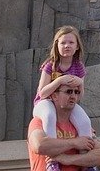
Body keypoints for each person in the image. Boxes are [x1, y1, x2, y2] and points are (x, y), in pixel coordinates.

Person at [34, 27, 94, 171]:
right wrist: (60, 81)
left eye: (71, 42)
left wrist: (79, 84)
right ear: (57, 45)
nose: (67, 46)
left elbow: (79, 95)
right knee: (49, 116)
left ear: (77, 46)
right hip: (45, 103)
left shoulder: (78, 66)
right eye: (63, 43)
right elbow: (42, 93)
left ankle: (86, 160)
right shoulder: (51, 65)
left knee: (85, 121)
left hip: (67, 103)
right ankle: (52, 159)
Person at [27, 77, 100, 171]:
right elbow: (40, 146)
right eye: (68, 92)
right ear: (54, 95)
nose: (73, 96)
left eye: (76, 92)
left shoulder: (80, 125)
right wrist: (74, 143)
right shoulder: (39, 122)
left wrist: (69, 159)